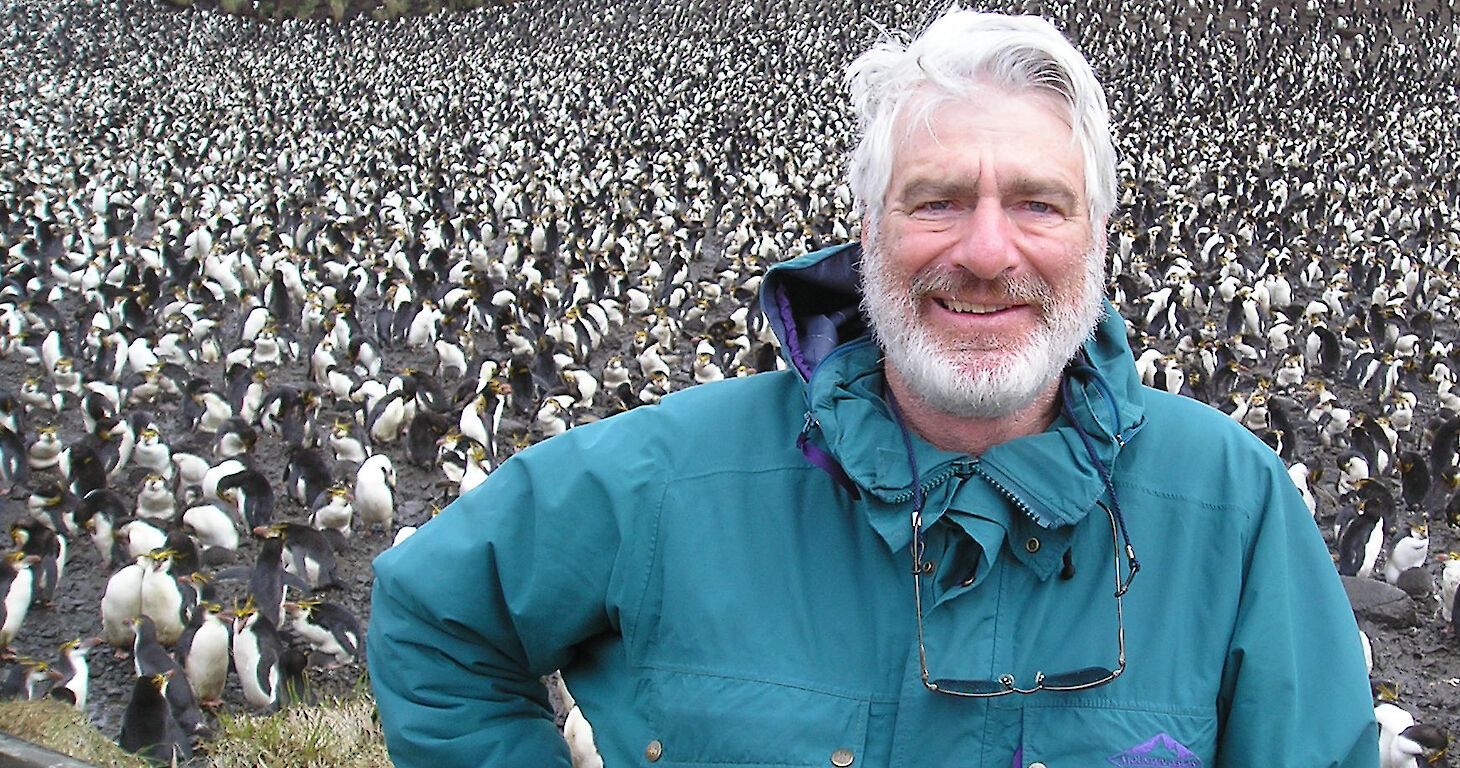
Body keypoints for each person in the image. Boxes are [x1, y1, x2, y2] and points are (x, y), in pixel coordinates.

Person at [368, 8, 1377, 767]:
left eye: (1039, 203)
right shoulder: (669, 480)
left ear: (1099, 238)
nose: (987, 252)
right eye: (936, 202)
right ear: (867, 231)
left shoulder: (1233, 512)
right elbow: (436, 616)